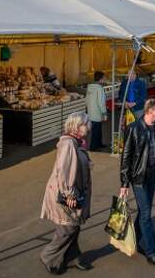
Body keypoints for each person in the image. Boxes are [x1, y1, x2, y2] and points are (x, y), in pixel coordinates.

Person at [40, 112, 94, 274]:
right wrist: (69, 194)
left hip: (75, 191)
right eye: (86, 125)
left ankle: (73, 256)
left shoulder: (77, 142)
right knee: (67, 228)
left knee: (74, 226)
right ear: (76, 126)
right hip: (65, 194)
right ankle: (48, 256)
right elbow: (63, 171)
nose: (88, 128)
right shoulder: (68, 144)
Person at [119, 99, 155, 267]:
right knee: (146, 213)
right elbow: (126, 158)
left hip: (152, 175)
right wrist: (124, 184)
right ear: (150, 111)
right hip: (138, 177)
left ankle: (134, 241)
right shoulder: (133, 129)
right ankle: (152, 252)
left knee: (143, 211)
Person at [86, 71, 107, 151]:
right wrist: (104, 113)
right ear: (101, 79)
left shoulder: (90, 87)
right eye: (104, 77)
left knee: (97, 129)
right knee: (96, 130)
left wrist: (89, 109)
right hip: (97, 112)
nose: (105, 79)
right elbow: (101, 102)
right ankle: (93, 147)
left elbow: (86, 100)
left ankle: (99, 144)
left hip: (91, 111)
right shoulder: (99, 88)